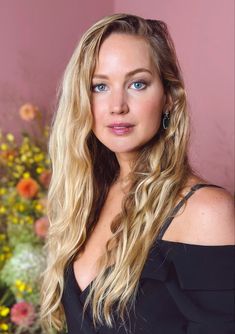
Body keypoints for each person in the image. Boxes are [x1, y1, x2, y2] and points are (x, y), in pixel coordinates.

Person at [40, 13, 235, 334]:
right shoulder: (89, 200)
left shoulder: (205, 212)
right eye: (99, 86)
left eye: (137, 84)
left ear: (170, 98)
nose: (117, 105)